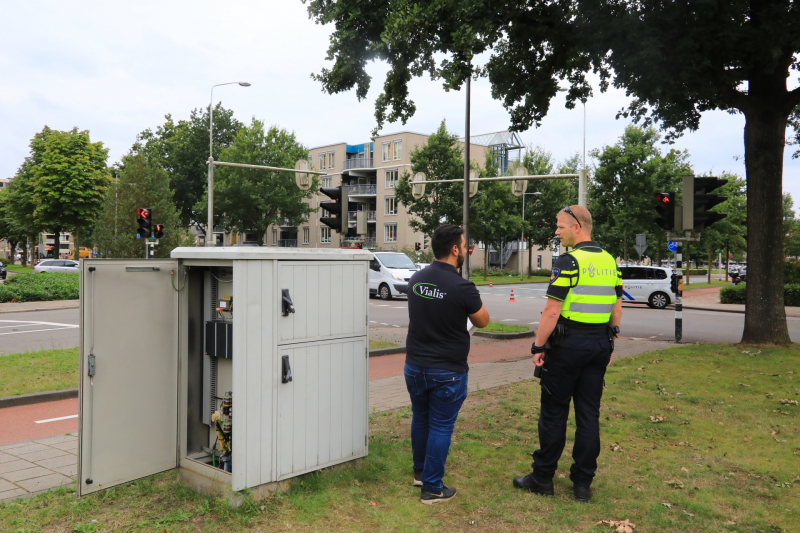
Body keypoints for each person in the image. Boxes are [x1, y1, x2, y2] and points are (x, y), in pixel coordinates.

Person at [513, 205, 622, 502]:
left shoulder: (568, 262)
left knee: (554, 413)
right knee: (589, 415)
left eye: (560, 226)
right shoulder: (611, 261)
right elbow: (616, 306)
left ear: (577, 226)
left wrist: (538, 346)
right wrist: (611, 339)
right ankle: (582, 485)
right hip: (598, 345)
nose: (557, 232)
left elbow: (552, 310)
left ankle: (543, 478)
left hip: (567, 347)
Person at [404, 224, 490, 504]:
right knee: (440, 426)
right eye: (465, 245)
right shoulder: (462, 286)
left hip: (415, 365)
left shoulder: (416, 279)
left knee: (421, 418)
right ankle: (431, 488)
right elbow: (482, 321)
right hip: (447, 371)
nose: (467, 250)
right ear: (455, 250)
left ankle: (420, 472)